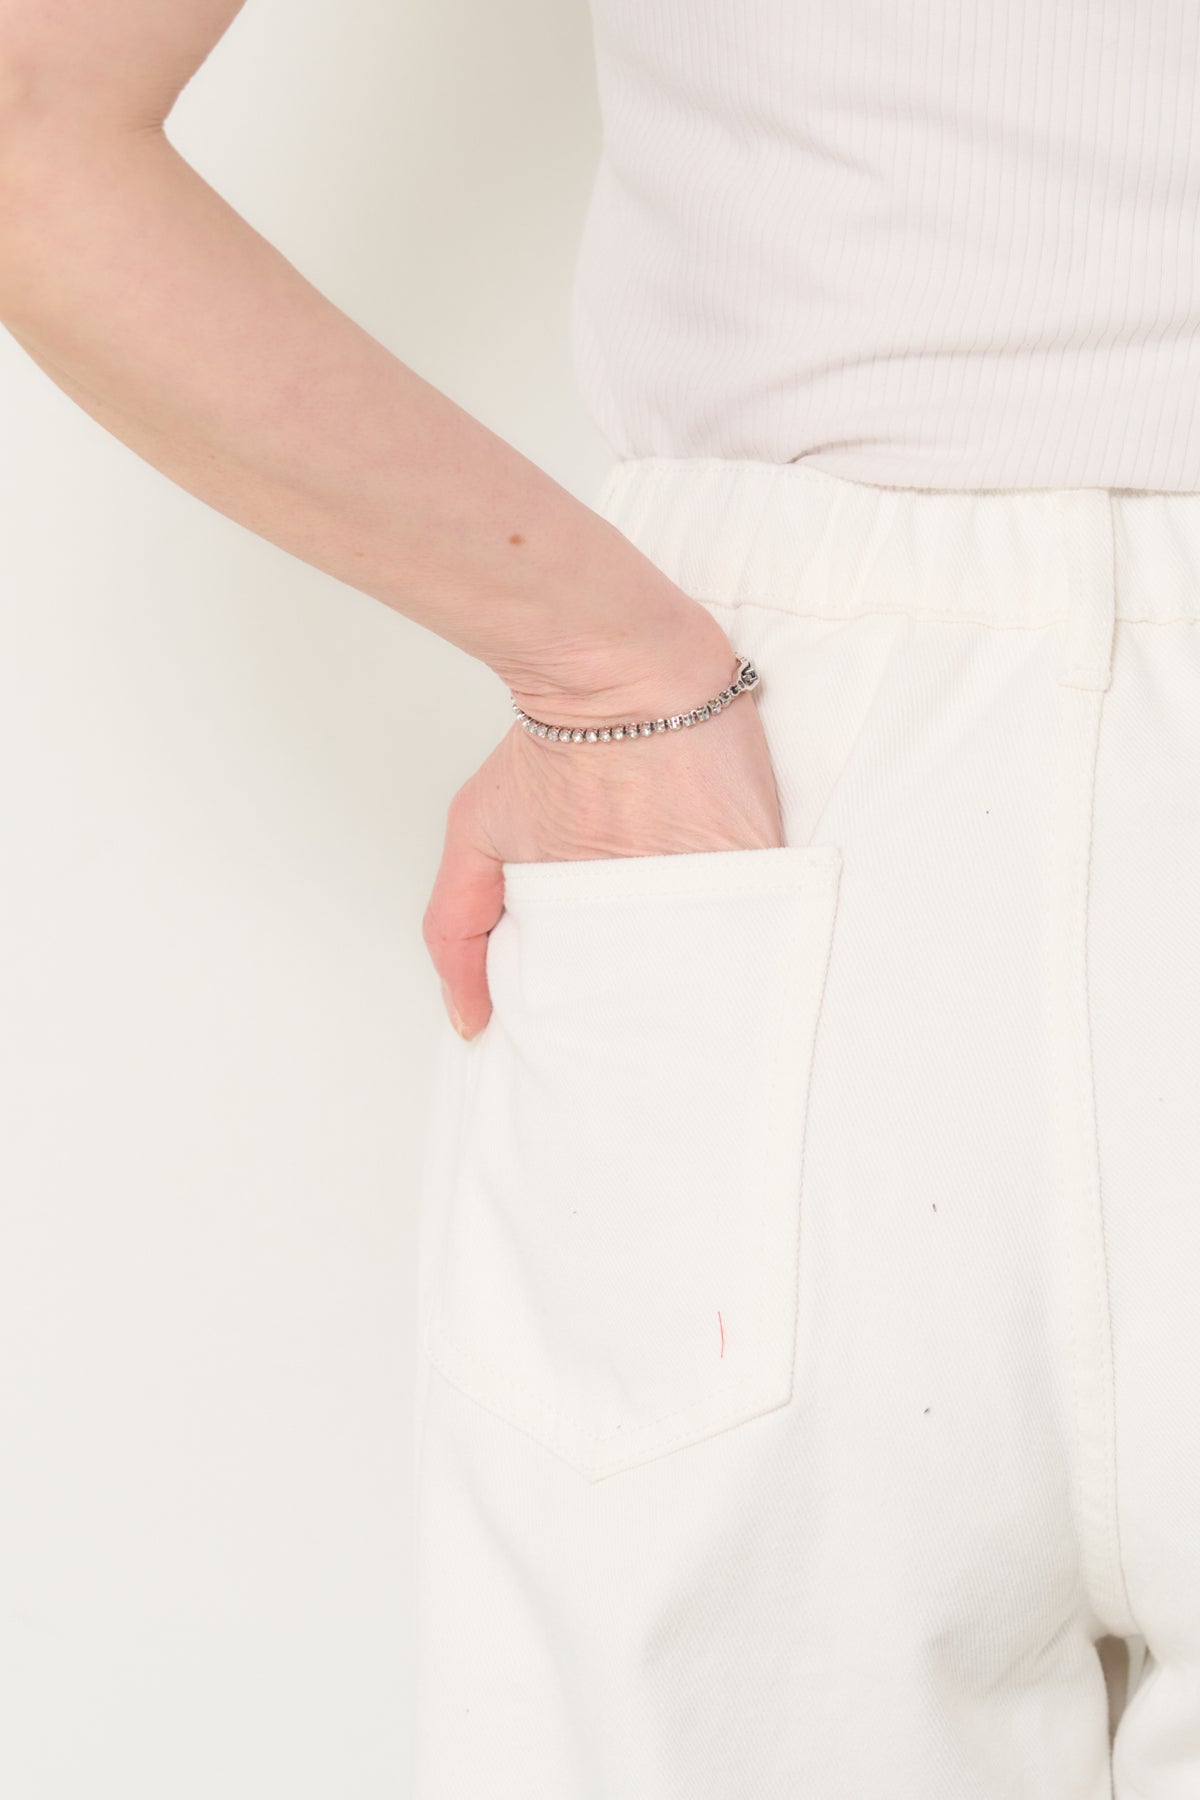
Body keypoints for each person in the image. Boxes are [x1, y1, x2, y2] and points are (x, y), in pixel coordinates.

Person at [2, 1, 1198, 1794]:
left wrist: (600, 657)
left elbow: (32, 114)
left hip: (793, 761)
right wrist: (600, 660)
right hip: (773, 763)